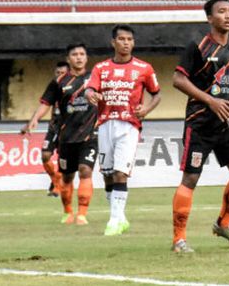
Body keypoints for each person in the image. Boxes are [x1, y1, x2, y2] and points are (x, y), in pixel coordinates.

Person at [169, 0, 229, 254]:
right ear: (210, 18)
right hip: (199, 123)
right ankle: (179, 239)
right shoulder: (198, 47)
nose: (228, 16)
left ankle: (223, 223)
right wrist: (210, 100)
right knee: (190, 177)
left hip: (226, 123)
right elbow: (178, 80)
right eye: (222, 12)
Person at [84, 26, 161, 236]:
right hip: (105, 123)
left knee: (120, 173)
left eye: (129, 39)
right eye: (121, 39)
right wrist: (90, 94)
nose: (126, 43)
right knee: (108, 174)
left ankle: (114, 220)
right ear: (113, 42)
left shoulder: (144, 68)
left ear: (133, 43)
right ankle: (120, 217)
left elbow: (157, 94)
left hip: (129, 125)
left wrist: (146, 109)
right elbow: (90, 88)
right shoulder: (101, 68)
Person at [22, 45, 96, 225]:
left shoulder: (95, 77)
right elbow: (46, 102)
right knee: (68, 176)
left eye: (82, 54)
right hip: (67, 136)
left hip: (90, 135)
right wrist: (35, 119)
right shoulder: (59, 81)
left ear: (86, 58)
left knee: (85, 171)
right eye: (74, 55)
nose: (78, 57)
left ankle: (82, 214)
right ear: (68, 58)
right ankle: (68, 212)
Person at [28, 60, 70, 196]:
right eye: (57, 72)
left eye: (63, 73)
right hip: (54, 127)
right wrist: (35, 119)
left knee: (62, 160)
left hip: (68, 128)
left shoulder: (74, 87)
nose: (60, 75)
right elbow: (45, 104)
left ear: (69, 73)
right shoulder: (54, 87)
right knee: (45, 155)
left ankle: (56, 186)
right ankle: (56, 179)